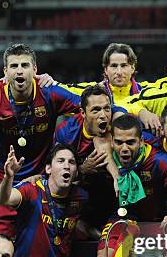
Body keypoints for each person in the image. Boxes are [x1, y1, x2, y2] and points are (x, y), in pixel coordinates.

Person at [0, 43, 82, 237]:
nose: (19, 71)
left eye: (25, 65)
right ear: (5, 71)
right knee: (0, 237)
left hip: (40, 177)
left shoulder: (50, 92)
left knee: (40, 236)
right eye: (14, 66)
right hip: (3, 177)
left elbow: (88, 107)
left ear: (35, 70)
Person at [98, 114, 167, 257]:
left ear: (141, 141)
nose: (124, 149)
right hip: (122, 220)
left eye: (131, 142)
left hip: (157, 222)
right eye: (119, 142)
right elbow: (96, 139)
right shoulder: (105, 158)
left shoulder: (161, 162)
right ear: (112, 142)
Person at [53, 84, 124, 233]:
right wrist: (82, 170)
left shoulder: (118, 125)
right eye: (96, 110)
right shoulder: (66, 132)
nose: (103, 115)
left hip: (112, 191)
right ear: (83, 113)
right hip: (81, 189)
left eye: (107, 108)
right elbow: (56, 174)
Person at [61, 43, 152, 105]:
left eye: (124, 66)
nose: (119, 72)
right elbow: (59, 90)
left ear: (132, 68)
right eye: (114, 66)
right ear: (106, 70)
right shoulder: (91, 92)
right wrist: (48, 80)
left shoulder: (147, 92)